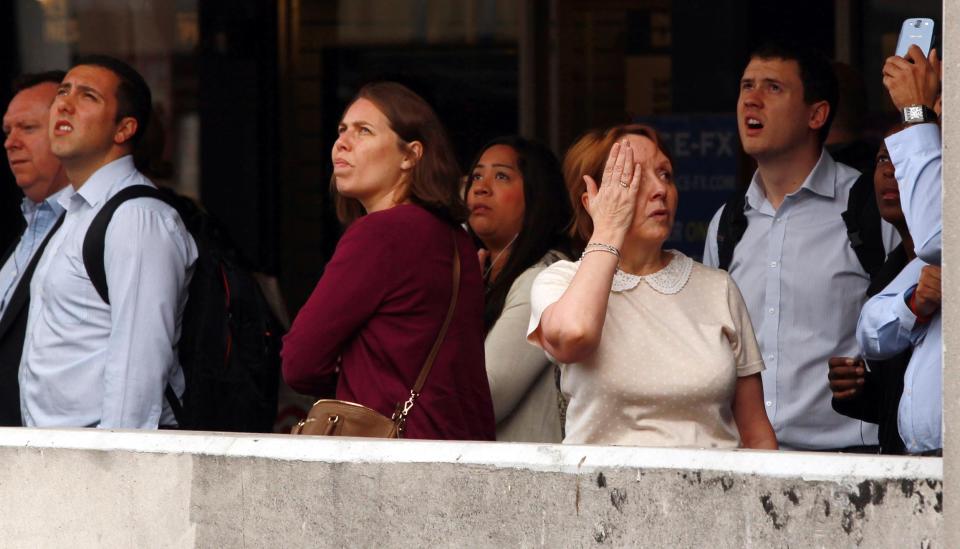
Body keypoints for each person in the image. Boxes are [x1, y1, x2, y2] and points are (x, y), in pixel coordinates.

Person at [526, 124, 777, 449]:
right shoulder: (560, 281)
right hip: (604, 493)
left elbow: (756, 433)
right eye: (635, 177)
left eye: (665, 174)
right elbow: (575, 335)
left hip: (714, 494)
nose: (660, 189)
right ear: (591, 201)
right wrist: (607, 228)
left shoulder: (718, 288)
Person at [703, 42, 898, 451]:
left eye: (773, 88)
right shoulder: (727, 222)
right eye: (746, 86)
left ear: (817, 114)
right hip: (748, 465)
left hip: (849, 466)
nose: (751, 100)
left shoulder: (868, 207)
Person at [282, 82, 495, 441]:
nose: (342, 143)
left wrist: (354, 377)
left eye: (364, 131)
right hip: (458, 450)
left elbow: (299, 362)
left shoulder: (381, 233)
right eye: (342, 130)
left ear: (410, 155)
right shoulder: (456, 238)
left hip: (392, 459)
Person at [19, 55, 198, 429]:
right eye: (63, 92)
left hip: (102, 460)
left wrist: (116, 470)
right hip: (61, 456)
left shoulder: (137, 218)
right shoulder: (76, 209)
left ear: (123, 129)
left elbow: (139, 363)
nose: (63, 104)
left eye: (88, 97)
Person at [855, 45, 943, 456]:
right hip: (924, 467)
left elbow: (937, 237)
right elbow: (869, 330)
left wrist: (915, 113)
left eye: (941, 99)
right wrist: (914, 304)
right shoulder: (921, 263)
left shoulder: (935, 237)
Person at [465, 136, 572, 442]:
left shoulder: (545, 278)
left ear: (537, 195)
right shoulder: (486, 272)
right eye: (476, 175)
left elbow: (484, 395)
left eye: (501, 176)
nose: (481, 187)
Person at [828, 130, 915, 455]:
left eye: (905, 157)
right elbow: (899, 405)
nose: (889, 171)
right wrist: (856, 388)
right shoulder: (887, 276)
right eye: (882, 158)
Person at [0, 71, 72, 426]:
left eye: (27, 128)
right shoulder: (27, 231)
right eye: (7, 131)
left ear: (67, 132)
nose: (10, 142)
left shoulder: (98, 225)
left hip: (64, 458)